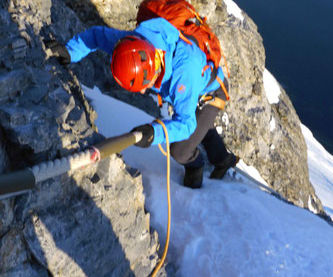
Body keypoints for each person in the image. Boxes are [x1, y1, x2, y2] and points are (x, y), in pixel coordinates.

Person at [48, 17, 238, 188]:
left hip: (211, 93)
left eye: (145, 83)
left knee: (180, 150)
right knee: (198, 123)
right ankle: (223, 159)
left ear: (156, 63)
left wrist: (154, 133)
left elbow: (186, 123)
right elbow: (97, 36)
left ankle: (196, 174)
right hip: (192, 89)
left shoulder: (184, 72)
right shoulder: (131, 47)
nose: (142, 91)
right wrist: (70, 52)